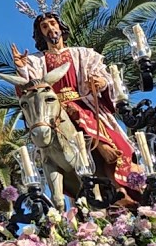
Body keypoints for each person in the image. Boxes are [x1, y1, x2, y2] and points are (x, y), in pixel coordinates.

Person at [11, 12, 141, 202]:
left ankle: (114, 167)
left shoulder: (83, 54)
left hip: (84, 104)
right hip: (52, 109)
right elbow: (28, 88)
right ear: (40, 33)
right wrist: (22, 68)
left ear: (60, 27)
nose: (50, 28)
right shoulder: (35, 61)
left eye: (52, 23)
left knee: (107, 135)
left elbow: (101, 75)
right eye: (44, 26)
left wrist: (101, 82)